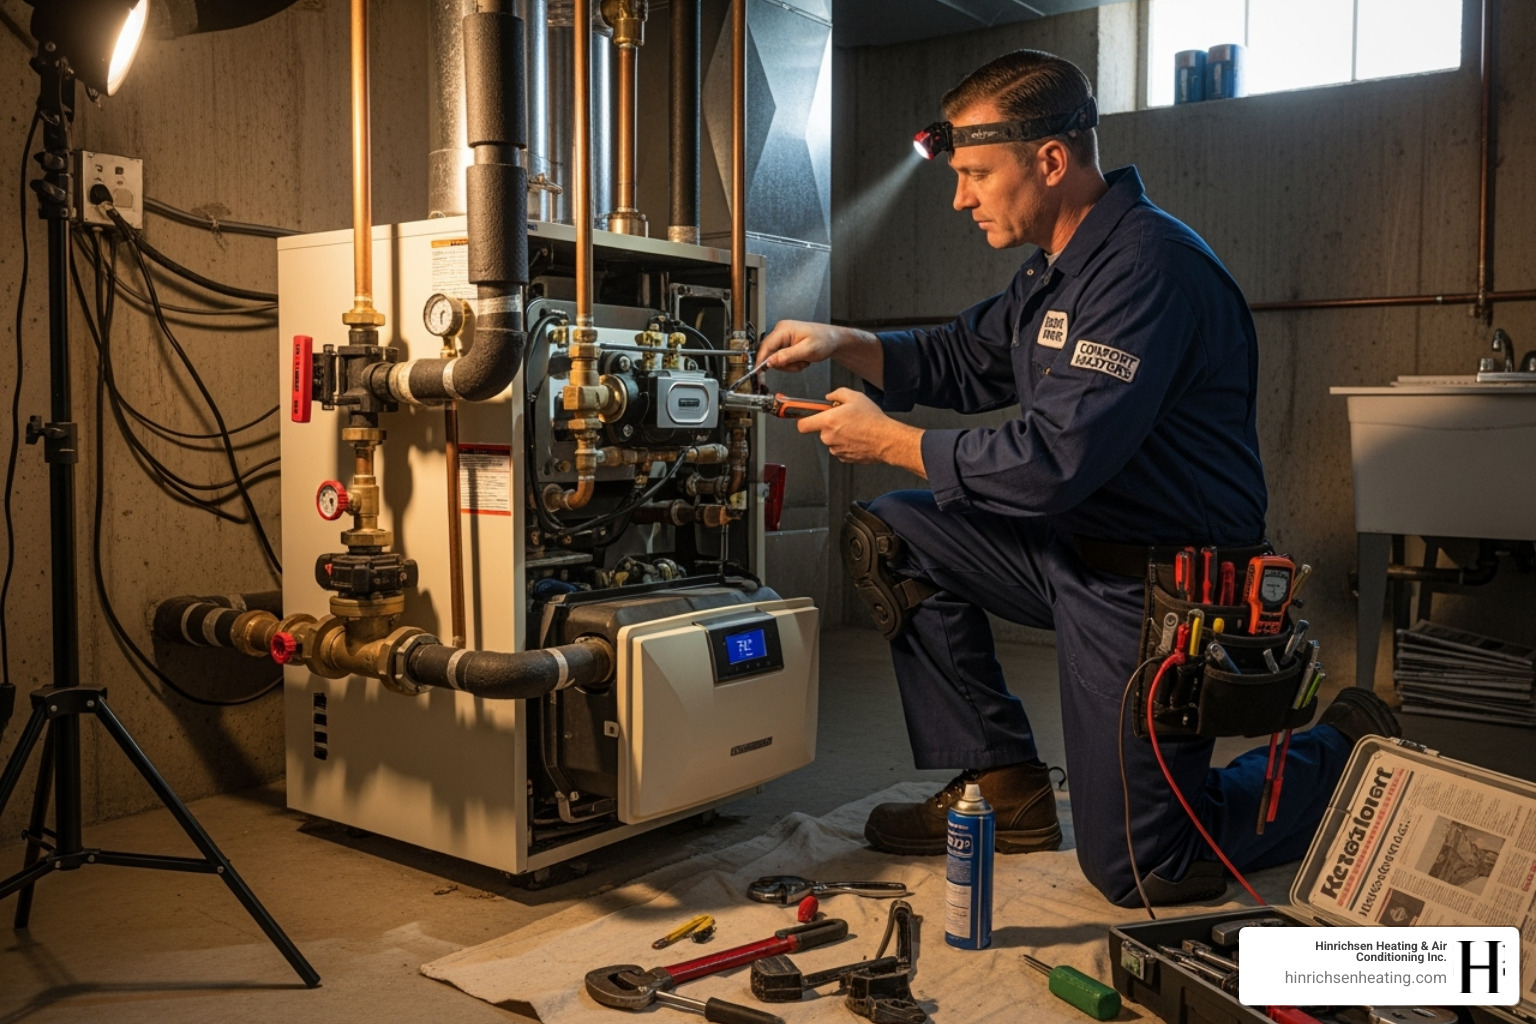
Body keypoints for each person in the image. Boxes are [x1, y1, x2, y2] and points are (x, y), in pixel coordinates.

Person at [754, 49, 1398, 907]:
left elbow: (1055, 460)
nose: (961, 197)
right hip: (1075, 554)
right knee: (893, 535)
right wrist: (846, 341)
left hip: (1160, 592)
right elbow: (965, 356)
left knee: (1145, 869)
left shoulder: (1147, 270)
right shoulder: (1058, 270)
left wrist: (894, 443)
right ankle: (1005, 784)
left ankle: (1344, 749)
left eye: (977, 173)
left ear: (1050, 160)